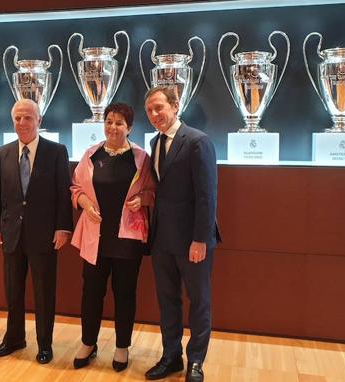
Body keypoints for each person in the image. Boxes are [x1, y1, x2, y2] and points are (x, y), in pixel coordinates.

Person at [143, 86, 220, 382]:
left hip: (192, 240)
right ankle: (171, 356)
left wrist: (200, 239)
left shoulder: (198, 141)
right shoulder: (154, 142)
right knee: (167, 299)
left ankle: (196, 361)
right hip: (162, 238)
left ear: (175, 106)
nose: (154, 115)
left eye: (159, 108)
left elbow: (207, 196)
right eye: (150, 111)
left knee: (199, 301)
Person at [70, 103, 155, 372]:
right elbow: (74, 188)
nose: (113, 127)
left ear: (129, 128)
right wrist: (83, 202)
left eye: (119, 123)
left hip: (127, 238)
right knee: (91, 292)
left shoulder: (141, 158)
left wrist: (142, 198)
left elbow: (153, 192)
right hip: (95, 237)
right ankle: (88, 342)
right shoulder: (91, 155)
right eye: (109, 121)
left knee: (125, 293)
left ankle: (122, 346)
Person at [0, 98, 73, 364]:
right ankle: (14, 338)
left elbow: (63, 193)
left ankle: (44, 344)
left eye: (28, 118)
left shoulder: (56, 151)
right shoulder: (3, 153)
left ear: (39, 121)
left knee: (44, 293)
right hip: (11, 235)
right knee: (13, 291)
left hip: (44, 235)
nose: (22, 123)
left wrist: (63, 227)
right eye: (17, 118)